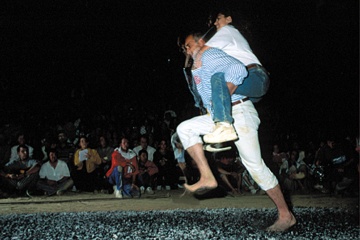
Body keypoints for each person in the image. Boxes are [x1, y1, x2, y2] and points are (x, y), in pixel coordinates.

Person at [176, 32, 295, 231]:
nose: (187, 50)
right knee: (184, 128)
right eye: (185, 49)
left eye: (189, 45)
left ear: (201, 42)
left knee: (255, 166)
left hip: (238, 111)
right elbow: (208, 97)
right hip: (219, 116)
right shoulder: (198, 67)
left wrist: (225, 99)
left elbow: (238, 69)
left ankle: (285, 215)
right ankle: (207, 176)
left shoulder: (209, 53)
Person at [195, 8, 270, 146]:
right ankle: (221, 136)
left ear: (228, 19)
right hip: (250, 89)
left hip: (254, 76)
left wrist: (195, 62)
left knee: (218, 78)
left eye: (218, 19)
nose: (215, 23)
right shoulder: (227, 41)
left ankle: (223, 124)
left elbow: (203, 51)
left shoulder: (228, 30)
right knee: (218, 84)